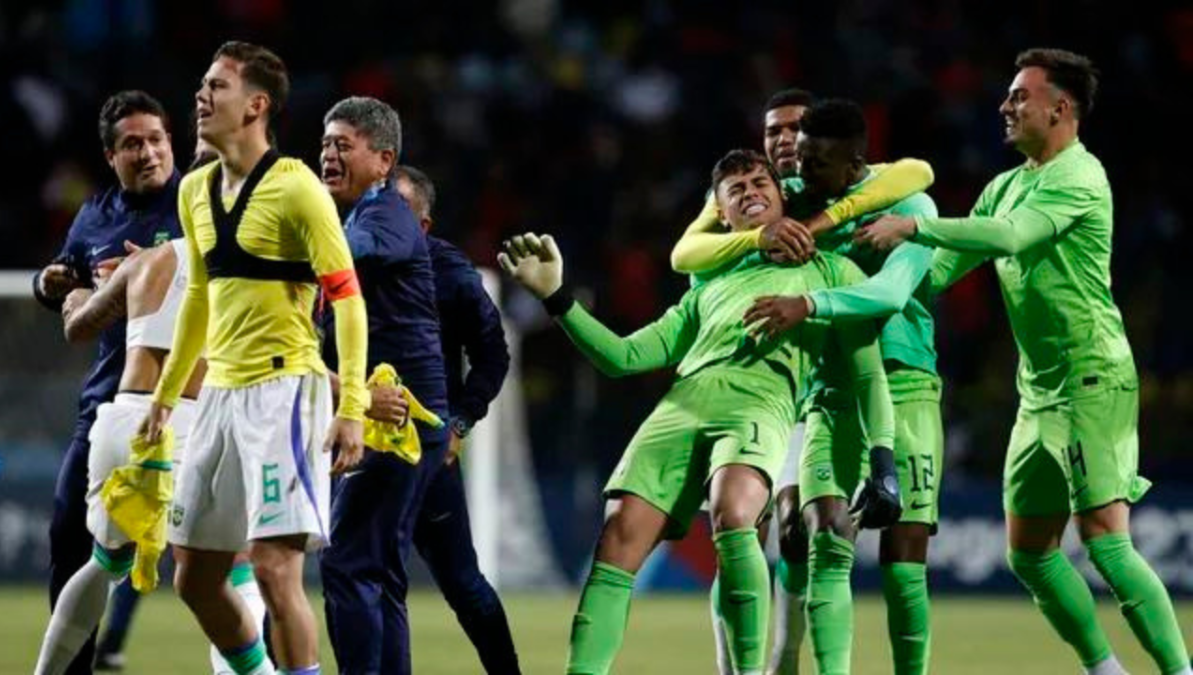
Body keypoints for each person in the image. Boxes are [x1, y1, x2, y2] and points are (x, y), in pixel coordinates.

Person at [500, 149, 901, 675]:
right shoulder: (709, 287)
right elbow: (623, 358)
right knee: (618, 536)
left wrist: (883, 460)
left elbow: (869, 375)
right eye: (736, 190)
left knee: (735, 511)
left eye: (761, 182)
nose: (752, 191)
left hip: (760, 406)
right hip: (678, 409)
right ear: (721, 214)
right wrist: (557, 299)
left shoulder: (837, 270)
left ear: (783, 196)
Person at [858, 48, 1191, 675]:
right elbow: (941, 274)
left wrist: (915, 228)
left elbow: (1010, 237)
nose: (1005, 105)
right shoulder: (1005, 186)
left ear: (1060, 108)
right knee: (1030, 553)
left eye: (1020, 96)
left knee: (1105, 541)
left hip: (1093, 375)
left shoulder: (1080, 176)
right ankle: (1105, 669)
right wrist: (864, 282)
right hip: (1037, 391)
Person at [672, 89, 934, 675]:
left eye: (796, 129)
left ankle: (800, 661)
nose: (784, 141)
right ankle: (757, 665)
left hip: (885, 375)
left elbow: (919, 173)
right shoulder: (762, 197)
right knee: (762, 527)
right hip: (786, 384)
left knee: (891, 546)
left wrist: (825, 225)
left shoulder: (879, 192)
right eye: (774, 132)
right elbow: (688, 255)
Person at [139, 41, 369, 675]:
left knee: (273, 568)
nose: (202, 96)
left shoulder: (297, 189)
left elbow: (347, 301)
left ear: (256, 105)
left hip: (285, 394)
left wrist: (350, 406)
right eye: (202, 84)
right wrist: (165, 397)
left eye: (218, 86)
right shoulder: (194, 190)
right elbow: (198, 303)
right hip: (218, 396)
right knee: (192, 578)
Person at [34, 236, 268, 675]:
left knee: (106, 560)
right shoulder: (245, 267)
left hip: (122, 421)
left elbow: (78, 327)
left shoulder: (146, 261)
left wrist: (82, 296)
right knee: (231, 571)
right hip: (187, 423)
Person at [32, 89, 182, 675]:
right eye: (131, 144)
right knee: (70, 539)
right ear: (110, 156)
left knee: (235, 560)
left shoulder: (202, 202)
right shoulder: (94, 214)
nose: (147, 152)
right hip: (107, 408)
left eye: (156, 139)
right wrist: (52, 285)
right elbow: (64, 285)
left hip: (195, 405)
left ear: (173, 143)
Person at [315, 96, 453, 675]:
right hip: (401, 414)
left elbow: (348, 255)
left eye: (343, 145)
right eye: (324, 144)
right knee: (380, 573)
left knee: (347, 563)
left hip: (396, 415)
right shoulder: (354, 214)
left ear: (383, 160)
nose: (327, 156)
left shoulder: (385, 215)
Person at [393, 165, 521, 673]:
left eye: (397, 210)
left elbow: (493, 354)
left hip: (424, 451)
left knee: (463, 584)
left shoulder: (449, 274)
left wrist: (460, 422)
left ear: (423, 226)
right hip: (353, 446)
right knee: (321, 572)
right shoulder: (344, 259)